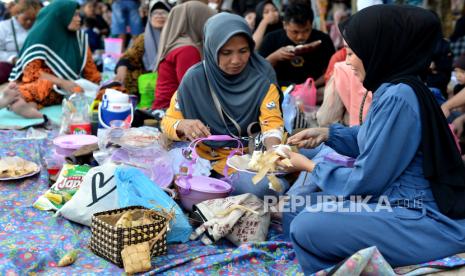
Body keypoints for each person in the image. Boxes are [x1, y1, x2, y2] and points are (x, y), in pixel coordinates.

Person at [280, 5, 465, 274]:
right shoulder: (395, 88)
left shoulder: (398, 96)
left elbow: (365, 181)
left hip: (422, 218)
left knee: (306, 225)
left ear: (381, 50)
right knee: (297, 211)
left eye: (354, 53)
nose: (348, 62)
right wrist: (328, 133)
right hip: (397, 204)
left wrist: (308, 166)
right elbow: (375, 139)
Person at [161, 12, 286, 198]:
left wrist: (274, 153)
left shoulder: (262, 78)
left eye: (243, 51)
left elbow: (272, 124)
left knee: (270, 186)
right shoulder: (194, 79)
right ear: (211, 49)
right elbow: (167, 123)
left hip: (244, 159)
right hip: (201, 158)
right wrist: (182, 125)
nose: (236, 60)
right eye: (226, 53)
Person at [5, 0, 101, 118]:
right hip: (43, 82)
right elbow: (31, 73)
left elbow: (91, 72)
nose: (79, 19)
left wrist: (95, 87)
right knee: (40, 87)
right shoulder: (40, 35)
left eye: (79, 14)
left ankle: (25, 105)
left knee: (77, 91)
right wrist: (61, 82)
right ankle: (20, 101)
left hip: (67, 88)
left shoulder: (79, 38)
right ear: (60, 16)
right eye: (74, 15)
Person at [151, 1, 215, 110]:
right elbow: (194, 92)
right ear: (196, 21)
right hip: (171, 114)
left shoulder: (178, 44)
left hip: (165, 110)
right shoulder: (187, 50)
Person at [259, 3, 335, 88]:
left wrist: (311, 85)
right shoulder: (271, 39)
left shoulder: (322, 39)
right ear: (285, 25)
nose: (300, 37)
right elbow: (260, 71)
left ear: (311, 24)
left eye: (306, 31)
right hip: (279, 90)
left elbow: (333, 70)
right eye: (295, 32)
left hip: (315, 88)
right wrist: (275, 57)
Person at [114, 0, 171, 95]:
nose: (159, 16)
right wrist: (122, 67)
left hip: (168, 83)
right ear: (150, 17)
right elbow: (130, 55)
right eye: (155, 13)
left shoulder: (174, 37)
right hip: (146, 85)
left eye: (164, 13)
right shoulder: (143, 38)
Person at [0, 0, 41, 84]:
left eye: (33, 20)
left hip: (33, 66)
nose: (29, 22)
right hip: (10, 65)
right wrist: (13, 59)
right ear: (17, 14)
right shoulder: (3, 27)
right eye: (26, 19)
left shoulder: (37, 27)